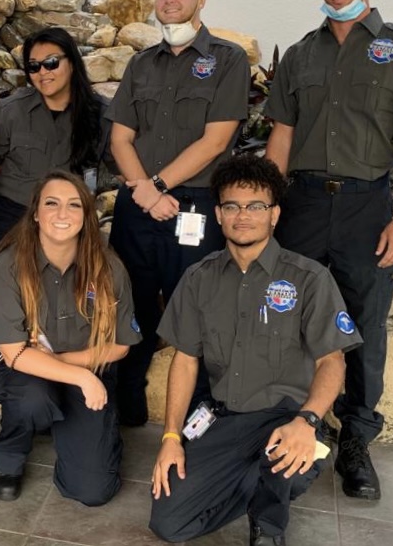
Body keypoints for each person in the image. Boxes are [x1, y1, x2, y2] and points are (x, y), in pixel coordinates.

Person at [265, 0, 393, 501]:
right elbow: (282, 135)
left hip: (368, 205)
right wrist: (268, 208)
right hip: (305, 203)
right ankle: (283, 423)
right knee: (286, 313)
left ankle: (356, 444)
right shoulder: (300, 54)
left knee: (363, 325)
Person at [149, 153, 362, 546]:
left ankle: (271, 515)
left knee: (289, 466)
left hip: (287, 416)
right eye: (232, 205)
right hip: (226, 419)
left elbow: (332, 359)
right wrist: (171, 439)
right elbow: (185, 360)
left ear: (274, 215)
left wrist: (308, 421)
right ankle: (258, 477)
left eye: (255, 206)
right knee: (170, 522)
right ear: (218, 214)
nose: (243, 215)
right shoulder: (199, 278)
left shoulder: (309, 279)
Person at [106, 0, 250, 426]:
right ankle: (124, 399)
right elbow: (120, 139)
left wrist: (159, 186)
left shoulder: (228, 60)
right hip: (139, 205)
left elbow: (216, 140)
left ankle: (198, 417)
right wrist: (146, 193)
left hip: (194, 207)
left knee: (199, 309)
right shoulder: (142, 64)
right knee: (131, 303)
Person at [0, 170, 142, 505]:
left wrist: (75, 370)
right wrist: (81, 375)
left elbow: (122, 343)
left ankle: (85, 434)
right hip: (27, 372)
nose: (62, 214)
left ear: (87, 216)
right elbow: (13, 353)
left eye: (73, 205)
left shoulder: (109, 268)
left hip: (84, 367)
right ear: (36, 213)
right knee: (30, 399)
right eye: (51, 203)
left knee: (93, 491)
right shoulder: (9, 265)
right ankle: (10, 456)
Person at [0, 27, 110, 258]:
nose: (42, 72)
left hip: (67, 220)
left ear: (71, 62)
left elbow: (119, 167)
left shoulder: (101, 114)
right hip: (13, 216)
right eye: (34, 66)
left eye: (51, 63)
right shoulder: (11, 110)